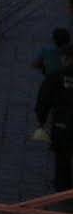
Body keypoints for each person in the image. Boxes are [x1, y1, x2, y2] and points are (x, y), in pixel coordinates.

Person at [37, 60, 73, 191]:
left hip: (62, 124)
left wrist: (41, 119)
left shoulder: (56, 76)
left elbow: (44, 99)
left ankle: (63, 188)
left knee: (62, 158)